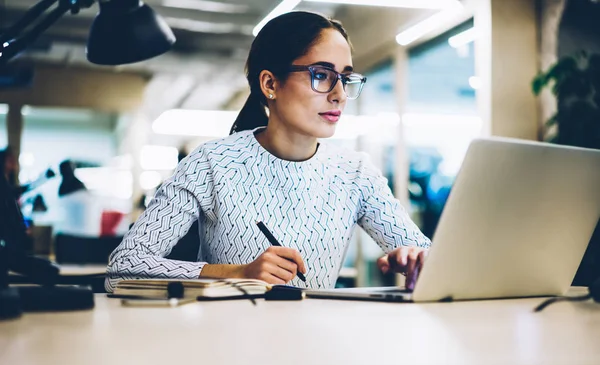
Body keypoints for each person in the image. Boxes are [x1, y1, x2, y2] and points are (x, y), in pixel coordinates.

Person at [106, 11, 431, 293]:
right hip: (228, 345)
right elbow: (123, 268)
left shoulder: (355, 173)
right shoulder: (211, 163)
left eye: (345, 78)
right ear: (270, 84)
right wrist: (236, 273)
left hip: (320, 349)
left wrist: (417, 260)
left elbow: (432, 259)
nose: (339, 94)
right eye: (321, 75)